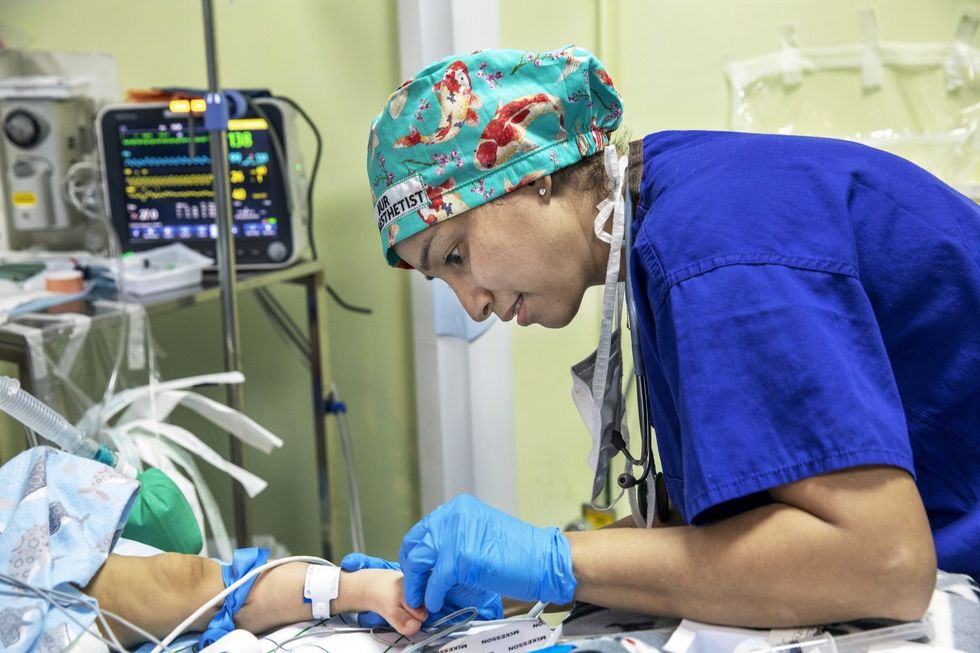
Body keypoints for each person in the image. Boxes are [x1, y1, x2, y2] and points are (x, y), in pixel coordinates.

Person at [355, 45, 980, 629]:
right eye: (443, 281)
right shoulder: (661, 220)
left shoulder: (716, 250)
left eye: (457, 255)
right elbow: (744, 511)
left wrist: (556, 559)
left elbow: (880, 565)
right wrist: (503, 578)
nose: (472, 306)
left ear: (531, 172)